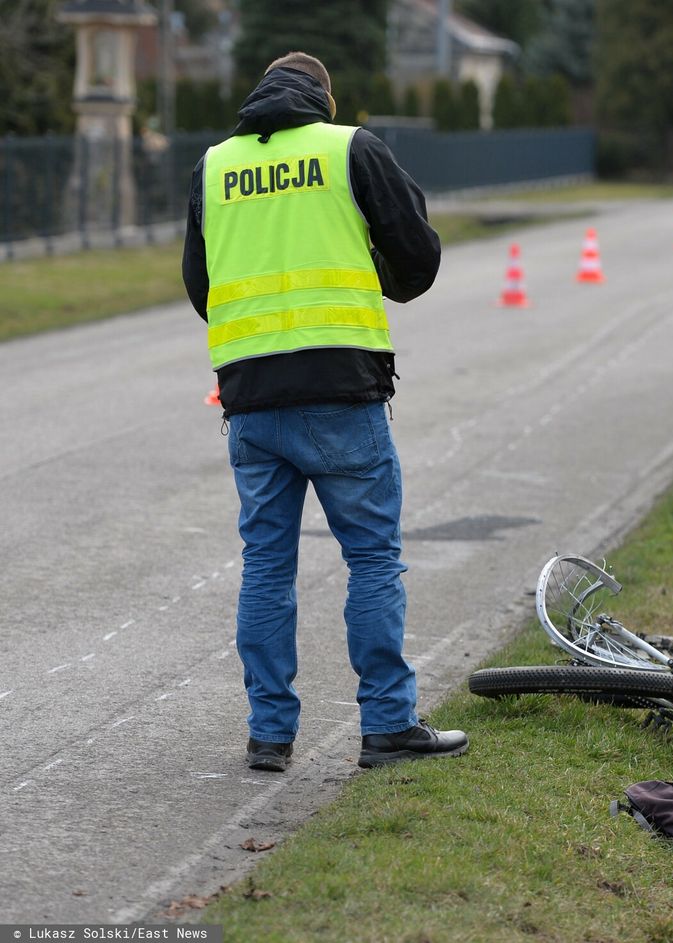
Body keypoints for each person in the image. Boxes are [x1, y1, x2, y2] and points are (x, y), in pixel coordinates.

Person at [181, 52, 467, 772]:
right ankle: (388, 726)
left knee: (266, 567)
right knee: (372, 557)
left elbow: (200, 281)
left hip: (250, 400)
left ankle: (269, 734)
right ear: (323, 101)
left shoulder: (214, 166)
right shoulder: (350, 149)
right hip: (340, 391)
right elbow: (418, 256)